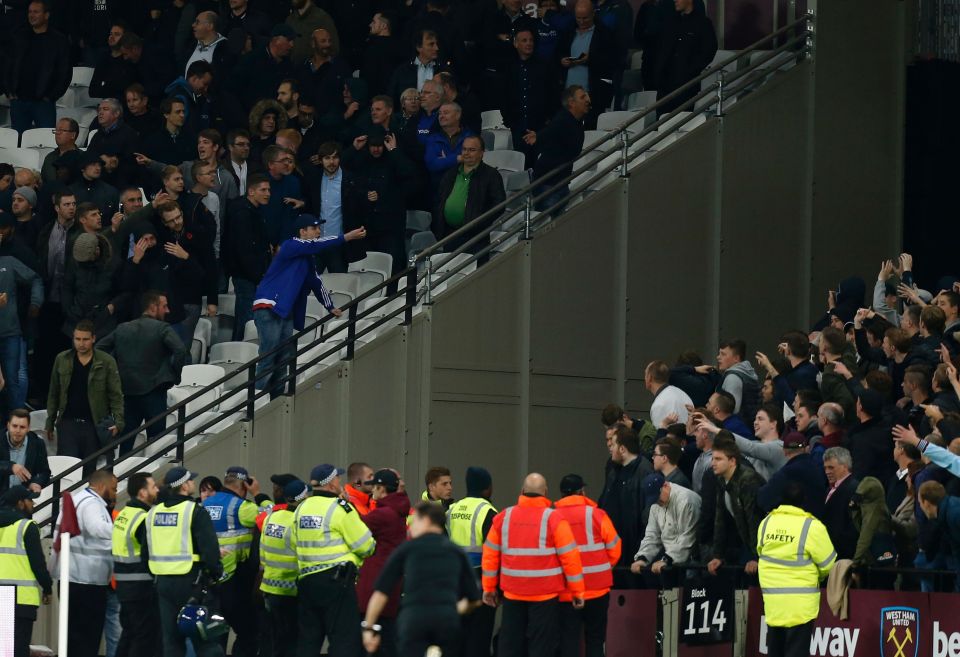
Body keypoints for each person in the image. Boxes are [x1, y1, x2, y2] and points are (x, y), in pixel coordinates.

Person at [251, 215, 365, 394]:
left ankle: (277, 400)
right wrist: (346, 237)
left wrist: (330, 306)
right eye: (314, 228)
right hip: (269, 306)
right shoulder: (291, 245)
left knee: (284, 358)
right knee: (269, 355)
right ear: (302, 232)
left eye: (318, 228)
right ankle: (255, 402)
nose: (318, 232)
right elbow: (315, 246)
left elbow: (316, 283)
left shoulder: (307, 259)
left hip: (284, 310)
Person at [481, 473, 585, 657]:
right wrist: (577, 591)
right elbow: (570, 557)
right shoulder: (554, 519)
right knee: (542, 647)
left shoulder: (504, 517)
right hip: (545, 597)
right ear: (546, 493)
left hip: (513, 594)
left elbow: (490, 555)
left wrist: (489, 588)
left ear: (521, 492)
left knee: (510, 646)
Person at [362, 501, 480, 657]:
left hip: (414, 619)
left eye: (415, 520)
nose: (412, 526)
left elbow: (381, 592)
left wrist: (368, 628)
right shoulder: (456, 552)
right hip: (447, 621)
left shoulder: (407, 549)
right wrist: (452, 609)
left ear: (426, 520)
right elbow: (475, 599)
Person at [292, 463, 377, 657]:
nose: (340, 481)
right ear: (331, 484)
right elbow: (367, 545)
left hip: (306, 581)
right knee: (344, 641)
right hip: (337, 583)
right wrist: (353, 556)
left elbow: (293, 541)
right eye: (338, 478)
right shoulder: (340, 508)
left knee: (308, 642)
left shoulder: (301, 508)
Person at [146, 467, 224, 657]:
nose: (193, 483)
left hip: (162, 583)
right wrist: (216, 573)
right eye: (191, 480)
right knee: (205, 637)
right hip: (191, 583)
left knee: (172, 642)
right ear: (183, 485)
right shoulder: (194, 511)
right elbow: (209, 549)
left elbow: (144, 551)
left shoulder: (153, 513)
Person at [97, 291, 186, 457]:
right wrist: (174, 375)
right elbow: (180, 350)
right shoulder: (162, 328)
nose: (167, 311)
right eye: (164, 306)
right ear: (153, 307)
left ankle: (122, 477)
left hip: (128, 392)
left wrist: (114, 373)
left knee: (126, 445)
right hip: (154, 391)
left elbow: (99, 349)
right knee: (158, 444)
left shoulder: (123, 328)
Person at [757, 482, 836, 657]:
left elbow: (761, 553)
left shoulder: (766, 523)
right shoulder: (812, 526)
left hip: (773, 604)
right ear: (803, 501)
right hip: (801, 606)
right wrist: (818, 576)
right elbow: (829, 564)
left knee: (774, 651)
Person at [202, 466, 270, 657]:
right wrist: (258, 493)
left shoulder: (204, 505)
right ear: (244, 485)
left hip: (210, 581)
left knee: (215, 634)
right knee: (249, 634)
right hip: (235, 583)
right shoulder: (242, 508)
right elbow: (272, 518)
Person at [51, 469, 118, 657]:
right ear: (101, 486)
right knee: (86, 640)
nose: (114, 494)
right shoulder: (91, 504)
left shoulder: (77, 500)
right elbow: (96, 528)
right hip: (86, 582)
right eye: (113, 489)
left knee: (73, 638)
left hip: (73, 579)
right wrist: (122, 530)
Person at [553, 474, 621, 657]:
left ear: (561, 494)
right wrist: (606, 566)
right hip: (598, 589)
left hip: (566, 592)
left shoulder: (553, 517)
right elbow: (615, 545)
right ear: (582, 492)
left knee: (568, 641)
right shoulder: (597, 515)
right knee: (595, 641)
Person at [45, 321, 124, 476]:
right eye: (78, 339)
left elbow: (116, 395)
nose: (81, 343)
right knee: (67, 471)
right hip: (67, 422)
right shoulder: (62, 359)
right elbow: (54, 392)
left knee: (89, 471)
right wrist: (50, 421)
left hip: (93, 424)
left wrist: (119, 421)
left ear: (93, 338)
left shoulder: (106, 362)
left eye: (85, 339)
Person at [356, 469, 411, 657]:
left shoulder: (383, 515)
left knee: (376, 642)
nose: (372, 492)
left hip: (375, 582)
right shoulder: (398, 510)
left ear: (381, 488)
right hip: (391, 582)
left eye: (374, 488)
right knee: (388, 637)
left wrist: (346, 504)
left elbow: (356, 527)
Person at [446, 466, 497, 657]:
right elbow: (494, 552)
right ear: (487, 488)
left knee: (457, 636)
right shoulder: (488, 512)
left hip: (454, 581)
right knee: (479, 638)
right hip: (479, 580)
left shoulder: (452, 509)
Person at [259, 479, 310, 657]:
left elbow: (263, 555)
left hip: (269, 589)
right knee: (292, 642)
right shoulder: (297, 523)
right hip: (291, 590)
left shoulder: (271, 517)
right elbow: (304, 557)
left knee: (276, 640)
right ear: (302, 498)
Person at [111, 472, 160, 657]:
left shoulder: (123, 514)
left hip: (123, 586)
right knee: (144, 637)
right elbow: (150, 556)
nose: (156, 489)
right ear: (142, 493)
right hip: (141, 586)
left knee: (129, 633)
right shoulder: (144, 518)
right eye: (153, 486)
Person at [0, 486, 52, 657]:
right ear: (20, 503)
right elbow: (38, 564)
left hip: (2, 595)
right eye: (30, 500)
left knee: (4, 650)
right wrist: (48, 587)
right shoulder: (26, 527)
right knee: (18, 649)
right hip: (20, 598)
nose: (33, 503)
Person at [4, 0, 71, 133]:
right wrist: (9, 91)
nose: (32, 15)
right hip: (19, 101)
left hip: (43, 103)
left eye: (36, 12)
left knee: (46, 140)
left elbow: (64, 72)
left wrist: (51, 96)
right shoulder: (18, 36)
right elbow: (7, 66)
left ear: (46, 15)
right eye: (30, 12)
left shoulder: (58, 40)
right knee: (19, 142)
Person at [432, 135, 505, 255]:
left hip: (476, 238)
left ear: (482, 153)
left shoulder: (491, 175)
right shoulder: (451, 173)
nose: (467, 153)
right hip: (450, 235)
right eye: (464, 149)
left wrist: (479, 223)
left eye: (472, 150)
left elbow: (499, 204)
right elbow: (439, 201)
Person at [599, 425, 653, 582]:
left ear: (622, 449)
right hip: (614, 550)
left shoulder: (644, 472)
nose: (610, 447)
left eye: (613, 444)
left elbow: (647, 516)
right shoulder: (614, 469)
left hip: (633, 551)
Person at [706, 434, 765, 577]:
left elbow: (755, 520)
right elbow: (719, 520)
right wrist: (717, 555)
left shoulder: (748, 480)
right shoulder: (721, 479)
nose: (713, 463)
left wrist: (756, 557)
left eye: (718, 459)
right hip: (743, 542)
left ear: (732, 461)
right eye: (713, 458)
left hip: (762, 547)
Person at [525, 85, 590, 213]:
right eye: (583, 97)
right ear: (571, 103)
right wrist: (538, 136)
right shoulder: (563, 119)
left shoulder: (576, 122)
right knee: (547, 226)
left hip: (561, 181)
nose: (588, 99)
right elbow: (551, 130)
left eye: (587, 95)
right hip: (549, 183)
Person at [631, 474, 701, 585]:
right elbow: (652, 535)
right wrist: (642, 558)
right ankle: (670, 602)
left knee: (689, 599)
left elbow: (688, 537)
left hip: (695, 560)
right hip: (670, 562)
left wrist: (667, 560)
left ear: (666, 486)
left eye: (658, 497)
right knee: (670, 599)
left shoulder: (686, 500)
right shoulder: (656, 504)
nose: (658, 502)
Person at [557, 0, 618, 127]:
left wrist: (590, 59)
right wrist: (562, 60)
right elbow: (558, 53)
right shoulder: (568, 31)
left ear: (593, 14)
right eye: (578, 18)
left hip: (593, 93)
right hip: (569, 94)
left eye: (585, 18)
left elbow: (612, 60)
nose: (581, 21)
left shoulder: (604, 34)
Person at [654, 0, 717, 114]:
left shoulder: (702, 23)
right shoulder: (670, 22)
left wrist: (691, 70)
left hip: (687, 85)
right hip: (665, 84)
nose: (675, 1)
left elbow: (709, 50)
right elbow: (661, 49)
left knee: (682, 122)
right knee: (661, 122)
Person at [0, 409, 50, 495]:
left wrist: (36, 482)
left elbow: (44, 472)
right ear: (8, 425)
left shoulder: (37, 443)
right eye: (14, 426)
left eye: (22, 427)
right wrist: (10, 467)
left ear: (28, 428)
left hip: (23, 498)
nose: (18, 431)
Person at [821, 446, 859, 560]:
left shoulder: (855, 488)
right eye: (825, 468)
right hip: (829, 553)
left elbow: (853, 525)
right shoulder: (829, 489)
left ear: (845, 466)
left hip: (843, 555)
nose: (827, 472)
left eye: (831, 468)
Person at [646, 360, 693, 428]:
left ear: (649, 377)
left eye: (645, 374)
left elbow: (660, 435)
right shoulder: (683, 394)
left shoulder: (659, 404)